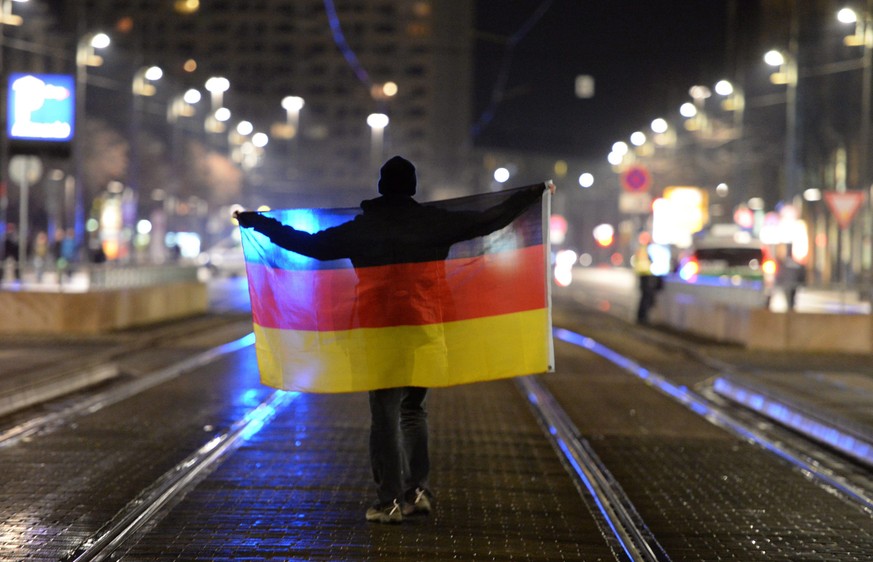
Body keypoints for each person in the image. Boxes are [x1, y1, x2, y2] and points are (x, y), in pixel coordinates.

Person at [236, 156, 553, 524]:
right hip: (423, 325)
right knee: (413, 410)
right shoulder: (434, 223)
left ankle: (388, 502)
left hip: (378, 329)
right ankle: (417, 491)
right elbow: (488, 220)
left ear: (382, 187)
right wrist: (532, 195)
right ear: (413, 188)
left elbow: (309, 245)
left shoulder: (363, 227)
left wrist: (258, 222)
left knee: (384, 415)